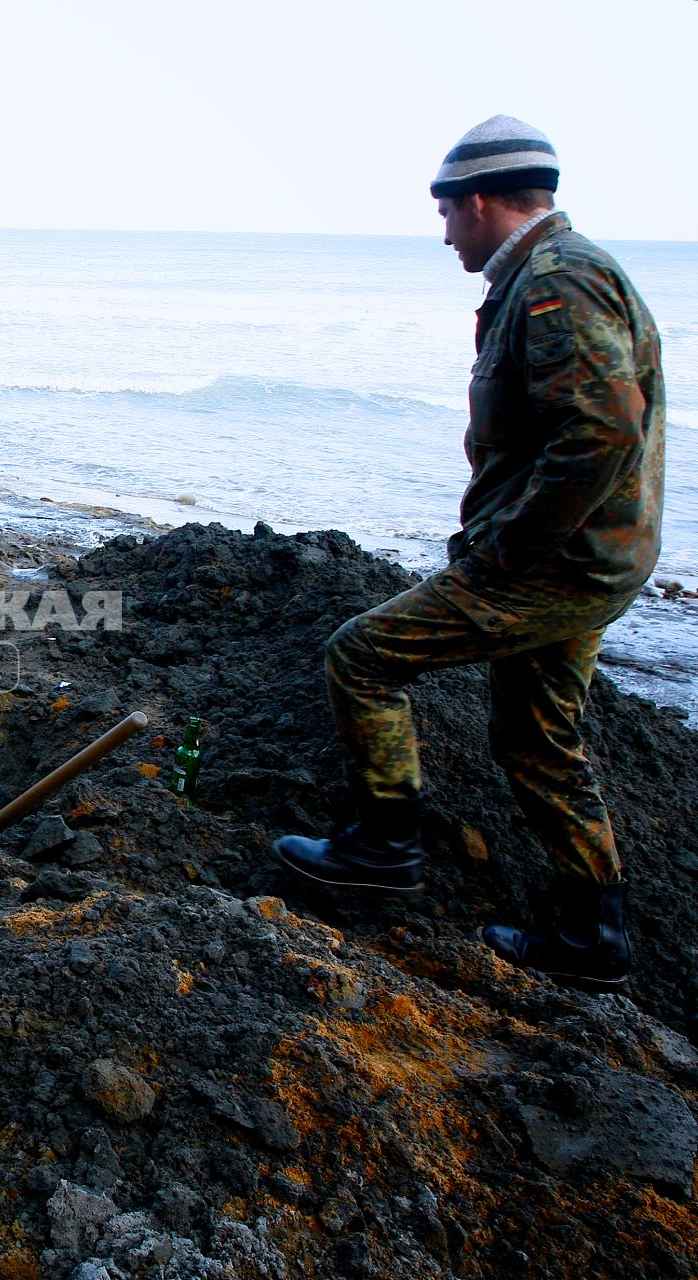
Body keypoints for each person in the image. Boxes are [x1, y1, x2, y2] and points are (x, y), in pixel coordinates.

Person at [272, 116, 664, 989]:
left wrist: (506, 555)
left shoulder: (560, 283)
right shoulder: (551, 277)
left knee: (362, 656)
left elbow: (600, 433)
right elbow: (553, 432)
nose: (445, 232)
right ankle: (593, 936)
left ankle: (383, 847)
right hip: (588, 562)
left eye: (447, 213)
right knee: (537, 738)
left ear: (480, 202)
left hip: (555, 567)